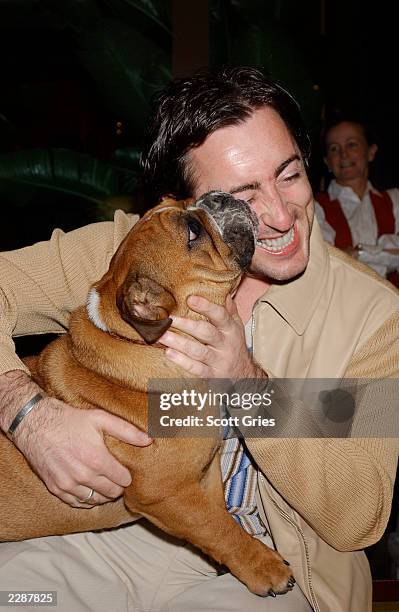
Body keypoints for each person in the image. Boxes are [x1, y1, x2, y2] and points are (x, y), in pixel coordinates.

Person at [0, 67, 398, 612]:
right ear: (181, 203)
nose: (281, 216)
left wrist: (248, 386)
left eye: (290, 175)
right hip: (117, 534)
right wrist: (27, 412)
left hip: (273, 557)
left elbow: (360, 515)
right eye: (242, 194)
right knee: (20, 596)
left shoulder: (373, 318)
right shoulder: (136, 256)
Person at [315, 117, 399, 286]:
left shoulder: (395, 199)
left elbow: (342, 260)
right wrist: (384, 255)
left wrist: (358, 254)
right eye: (333, 148)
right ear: (327, 162)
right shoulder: (315, 207)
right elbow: (326, 265)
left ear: (371, 152)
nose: (343, 154)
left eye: (351, 144)